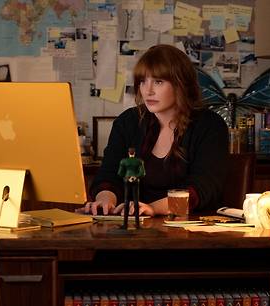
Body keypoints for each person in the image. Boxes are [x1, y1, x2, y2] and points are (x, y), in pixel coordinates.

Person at [79, 44, 228, 217]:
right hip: (135, 223)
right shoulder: (127, 122)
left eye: (158, 82)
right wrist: (105, 201)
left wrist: (153, 209)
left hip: (192, 224)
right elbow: (108, 175)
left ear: (180, 84)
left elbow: (202, 189)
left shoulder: (210, 125)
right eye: (143, 81)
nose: (148, 91)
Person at [118, 147, 146, 228]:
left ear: (128, 153)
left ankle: (125, 224)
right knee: (136, 202)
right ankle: (137, 224)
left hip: (127, 180)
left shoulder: (124, 161)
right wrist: (135, 177)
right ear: (134, 153)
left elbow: (120, 173)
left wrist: (127, 177)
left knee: (126, 201)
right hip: (136, 180)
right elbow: (142, 173)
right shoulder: (139, 161)